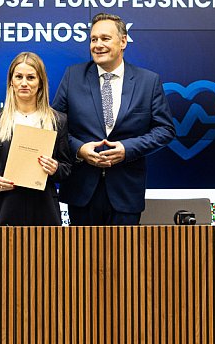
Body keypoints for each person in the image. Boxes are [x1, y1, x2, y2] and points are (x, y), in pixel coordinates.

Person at [52, 13, 175, 226]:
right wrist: (80, 149)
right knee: (82, 250)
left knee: (124, 250)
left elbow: (165, 129)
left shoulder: (148, 81)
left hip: (126, 192)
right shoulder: (73, 76)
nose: (97, 45)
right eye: (93, 39)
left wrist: (127, 149)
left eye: (105, 38)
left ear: (123, 41)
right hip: (82, 191)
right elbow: (54, 125)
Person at [0, 52, 71, 226]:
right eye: (19, 77)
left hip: (44, 209)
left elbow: (67, 168)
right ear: (11, 81)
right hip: (2, 206)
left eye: (31, 77)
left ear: (40, 82)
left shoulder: (58, 120)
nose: (24, 83)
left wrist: (55, 168)